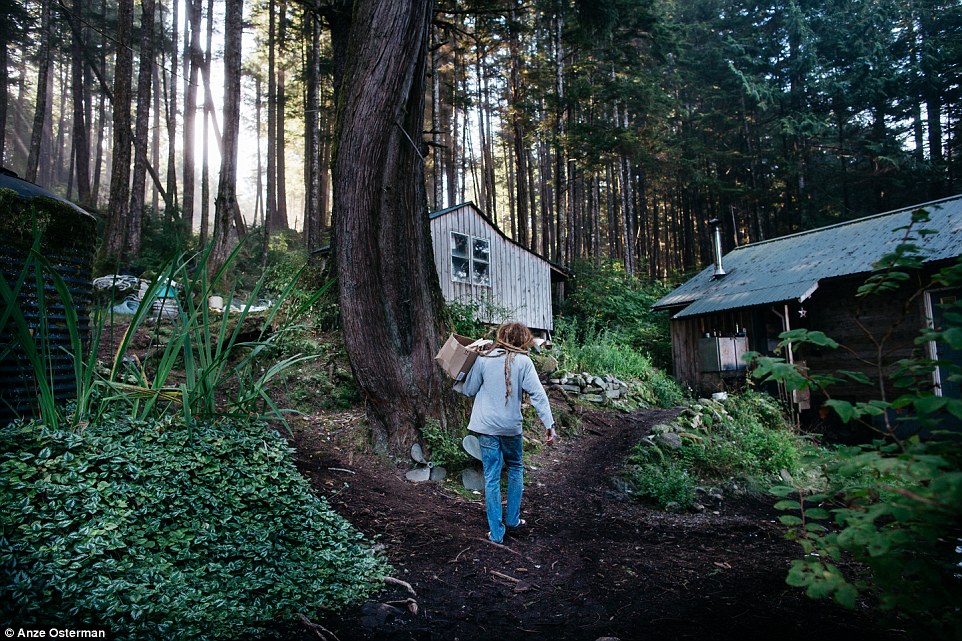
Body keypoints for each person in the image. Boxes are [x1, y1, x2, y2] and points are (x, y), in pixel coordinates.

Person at [458, 322, 556, 544]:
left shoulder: (484, 359)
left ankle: (497, 533)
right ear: (522, 339)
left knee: (491, 477)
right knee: (515, 468)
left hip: (486, 427)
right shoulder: (524, 362)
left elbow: (469, 390)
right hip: (510, 428)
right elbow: (538, 395)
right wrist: (549, 425)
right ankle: (512, 519)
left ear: (501, 336)